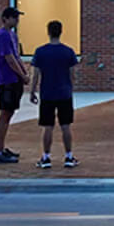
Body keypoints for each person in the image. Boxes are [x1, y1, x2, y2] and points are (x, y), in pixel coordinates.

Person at [31, 19, 81, 170]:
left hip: (47, 94)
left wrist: (33, 91)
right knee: (66, 126)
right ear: (61, 32)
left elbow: (36, 75)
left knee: (48, 127)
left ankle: (46, 157)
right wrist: (70, 88)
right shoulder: (68, 52)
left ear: (48, 32)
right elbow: (73, 75)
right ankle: (68, 156)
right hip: (64, 93)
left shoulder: (40, 52)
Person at [0, 6, 28, 165]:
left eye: (17, 17)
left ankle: (2, 148)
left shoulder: (12, 35)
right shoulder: (2, 36)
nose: (17, 20)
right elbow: (10, 59)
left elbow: (17, 57)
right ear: (5, 18)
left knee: (9, 113)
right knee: (4, 114)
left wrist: (24, 74)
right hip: (8, 80)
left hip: (15, 79)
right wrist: (22, 75)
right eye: (14, 17)